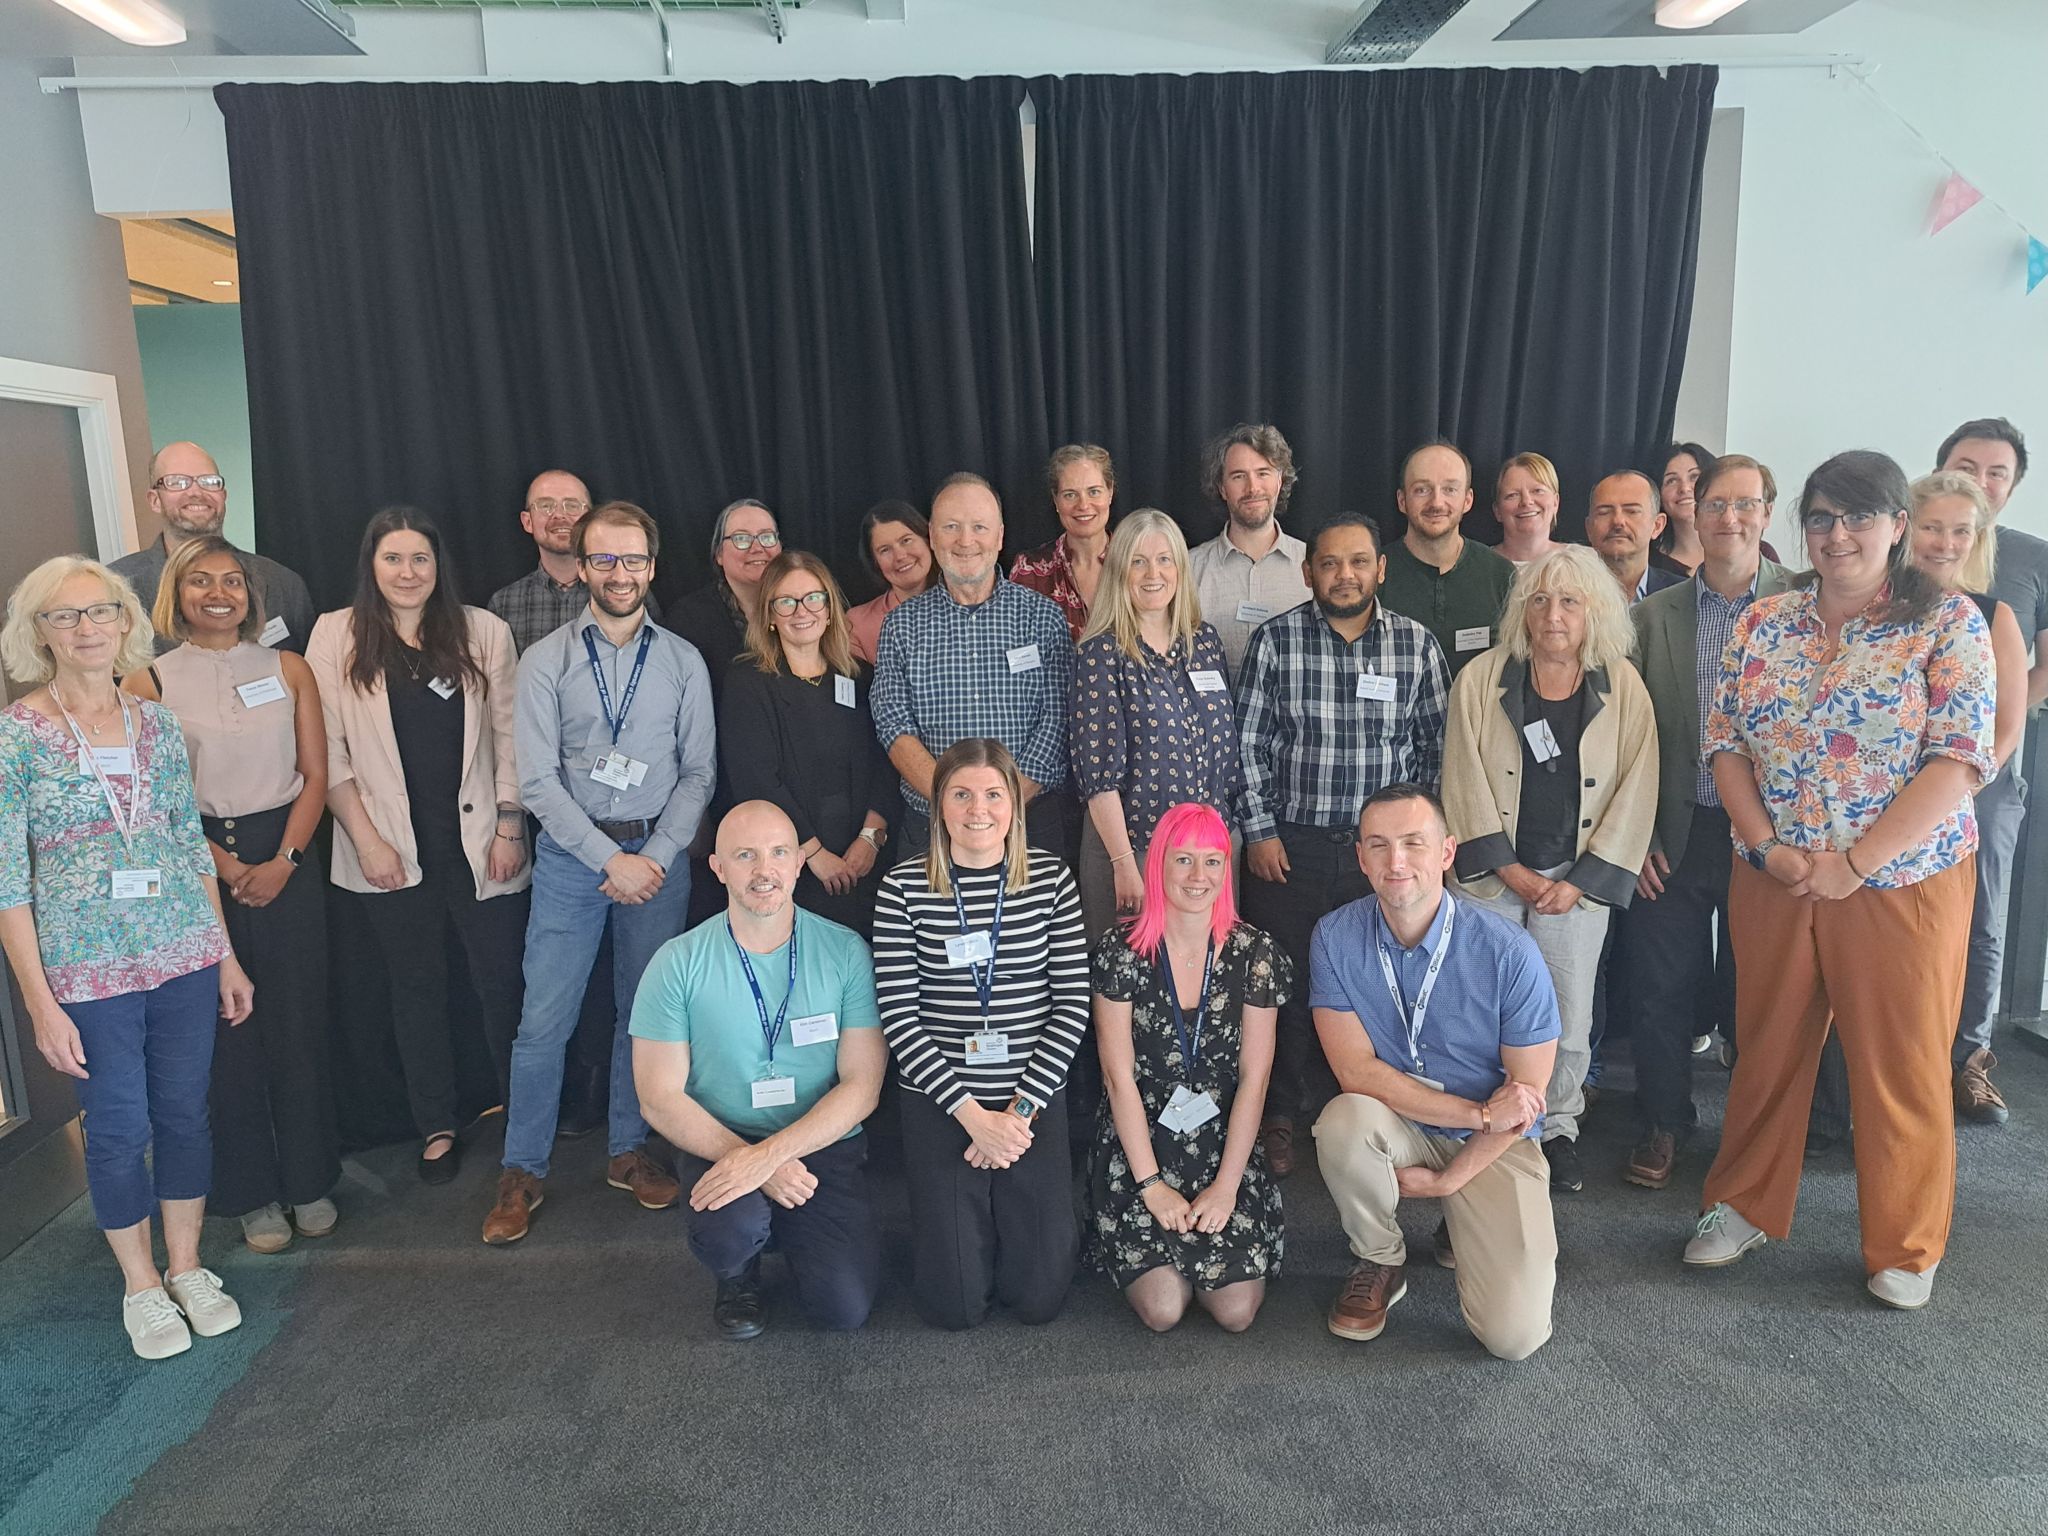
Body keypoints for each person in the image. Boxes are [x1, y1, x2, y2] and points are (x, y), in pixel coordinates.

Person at [1684, 450, 1996, 1312]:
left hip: (1901, 885)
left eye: (1859, 517)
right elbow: (1725, 744)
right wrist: (1768, 846)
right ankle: (1742, 1203)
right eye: (1820, 518)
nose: (1838, 534)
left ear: (1899, 527)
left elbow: (1960, 762)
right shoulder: (1764, 624)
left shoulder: (1948, 624)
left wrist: (1855, 864)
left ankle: (1905, 1241)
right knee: (1767, 1048)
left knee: (1899, 1063)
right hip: (1777, 877)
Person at [0, 557, 254, 1360]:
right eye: (64, 616)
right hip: (86, 971)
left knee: (185, 1114)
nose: (85, 629)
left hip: (182, 950)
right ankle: (140, 1286)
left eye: (98, 612)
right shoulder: (18, 736)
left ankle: (186, 1269)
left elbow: (187, 847)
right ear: (37, 633)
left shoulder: (158, 726)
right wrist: (40, 1003)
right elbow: (8, 884)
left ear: (124, 622)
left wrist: (226, 957)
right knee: (116, 1128)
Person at [485, 501, 717, 1243]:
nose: (620, 574)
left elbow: (699, 774)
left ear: (653, 565)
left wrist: (649, 858)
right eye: (605, 560)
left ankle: (629, 1149)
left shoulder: (682, 660)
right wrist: (607, 858)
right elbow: (539, 780)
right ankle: (522, 1166)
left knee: (643, 1017)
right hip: (569, 860)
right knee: (543, 1021)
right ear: (582, 566)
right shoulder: (546, 659)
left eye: (634, 560)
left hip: (657, 860)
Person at [123, 537, 339, 1253]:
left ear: (252, 594)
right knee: (227, 1033)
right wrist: (220, 863)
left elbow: (316, 774)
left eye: (233, 581)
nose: (219, 593)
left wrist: (285, 859)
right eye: (200, 582)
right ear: (175, 595)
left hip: (290, 859)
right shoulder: (146, 683)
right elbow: (153, 804)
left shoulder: (289, 667)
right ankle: (250, 1195)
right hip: (197, 862)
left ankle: (310, 1178)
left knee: (301, 1025)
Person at [307, 509, 530, 1185]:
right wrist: (367, 841)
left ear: (440, 566)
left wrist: (510, 826)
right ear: (371, 565)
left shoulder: (482, 630)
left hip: (482, 843)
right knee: (416, 991)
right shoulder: (334, 634)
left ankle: (526, 1116)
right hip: (387, 852)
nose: (408, 573)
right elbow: (327, 750)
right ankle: (435, 1123)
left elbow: (512, 734)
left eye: (420, 560)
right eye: (394, 559)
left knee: (503, 988)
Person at [1309, 784, 1560, 1361]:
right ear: (1362, 859)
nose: (1396, 862)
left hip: (1495, 1141)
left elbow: (1526, 1100)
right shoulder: (1334, 937)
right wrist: (1474, 1111)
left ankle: (1463, 1222)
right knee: (1343, 1122)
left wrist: (1452, 1178)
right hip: (1405, 1122)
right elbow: (1355, 1072)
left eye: (1413, 844)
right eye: (1379, 845)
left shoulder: (1508, 950)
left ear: (1446, 853)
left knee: (1513, 1338)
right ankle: (1380, 1257)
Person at [1235, 515, 1450, 1177]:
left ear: (1380, 569)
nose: (1345, 575)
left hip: (1383, 859)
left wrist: (1414, 852)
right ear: (1309, 572)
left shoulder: (1415, 647)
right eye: (1330, 563)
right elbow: (1248, 747)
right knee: (1282, 986)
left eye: (1359, 562)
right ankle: (1277, 1114)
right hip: (1290, 850)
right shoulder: (1274, 643)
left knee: (1374, 987)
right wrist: (1261, 832)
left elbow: (1433, 755)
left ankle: (1367, 1115)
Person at [1440, 545, 1657, 1195]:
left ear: (1594, 612)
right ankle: (1477, 1121)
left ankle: (1555, 1125)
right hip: (1493, 877)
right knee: (1483, 1007)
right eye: (1539, 600)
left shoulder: (1622, 685)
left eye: (1569, 601)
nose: (1553, 614)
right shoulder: (1482, 678)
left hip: (1575, 882)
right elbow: (1462, 778)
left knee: (1565, 1012)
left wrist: (1580, 880)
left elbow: (1638, 786)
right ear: (1521, 613)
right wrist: (1510, 871)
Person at [631, 801, 886, 1338]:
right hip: (722, 1137)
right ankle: (738, 1271)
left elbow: (862, 1086)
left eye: (777, 853)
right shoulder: (675, 963)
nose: (763, 870)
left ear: (798, 864)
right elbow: (658, 1097)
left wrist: (772, 1158)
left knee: (843, 1310)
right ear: (718, 868)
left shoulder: (845, 952)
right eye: (744, 855)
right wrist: (751, 1163)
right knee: (730, 1231)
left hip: (822, 1141)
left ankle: (796, 1234)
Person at [872, 739, 1089, 1330]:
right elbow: (900, 1017)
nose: (978, 810)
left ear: (1014, 804)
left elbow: (1071, 1004)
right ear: (937, 804)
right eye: (961, 794)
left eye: (994, 794)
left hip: (1031, 1104)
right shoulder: (901, 890)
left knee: (1040, 1299)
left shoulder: (1050, 879)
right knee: (955, 1306)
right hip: (943, 1104)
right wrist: (973, 1117)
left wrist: (1015, 1115)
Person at [1625, 455, 1794, 1190]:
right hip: (1677, 831)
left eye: (1745, 504)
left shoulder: (1807, 603)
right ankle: (1665, 1122)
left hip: (1775, 840)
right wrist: (1632, 841)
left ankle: (1757, 1135)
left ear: (1767, 512)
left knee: (1761, 988)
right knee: (1660, 983)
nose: (1729, 518)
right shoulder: (1649, 616)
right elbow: (1626, 739)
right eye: (1715, 503)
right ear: (1693, 512)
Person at [1087, 802, 1286, 1332]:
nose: (1199, 877)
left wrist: (1226, 1186)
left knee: (1236, 1312)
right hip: (1142, 1140)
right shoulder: (1121, 952)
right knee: (1162, 1310)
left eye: (1213, 861)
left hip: (1225, 1142)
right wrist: (1151, 1184)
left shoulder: (1255, 953)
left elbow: (1255, 1079)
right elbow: (1118, 1077)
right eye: (1183, 860)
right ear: (1158, 866)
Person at [1905, 470, 2031, 1126]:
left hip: (1959, 809)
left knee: (1956, 947)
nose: (1945, 542)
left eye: (1961, 531)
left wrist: (1957, 789)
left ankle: (1958, 1072)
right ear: (1905, 527)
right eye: (1933, 527)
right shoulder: (1874, 602)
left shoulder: (1989, 614)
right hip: (1874, 822)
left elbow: (2007, 723)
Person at [871, 474, 1075, 861]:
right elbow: (893, 723)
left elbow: (1058, 720)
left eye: (979, 527)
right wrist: (955, 803)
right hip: (931, 828)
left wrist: (998, 805)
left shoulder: (1043, 618)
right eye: (952, 527)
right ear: (932, 535)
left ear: (999, 536)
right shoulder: (901, 626)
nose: (966, 541)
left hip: (1029, 825)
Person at [1936, 417, 2048, 1122]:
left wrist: (1994, 743)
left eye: (1996, 471)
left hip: (1992, 780)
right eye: (1966, 465)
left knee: (1982, 919)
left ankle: (1969, 1063)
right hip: (1901, 776)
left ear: (2012, 486)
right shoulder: (1909, 546)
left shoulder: (2033, 556)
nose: (1980, 479)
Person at [1069, 509, 1240, 940]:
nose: (1153, 574)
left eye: (1164, 560)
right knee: (1134, 987)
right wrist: (1125, 865)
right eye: (1138, 562)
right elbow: (1098, 777)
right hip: (1137, 853)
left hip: (1208, 854)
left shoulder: (1204, 642)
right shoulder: (1101, 654)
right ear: (1119, 571)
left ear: (1180, 569)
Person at [720, 551, 897, 937]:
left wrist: (870, 839)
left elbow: (888, 760)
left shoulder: (859, 678)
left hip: (863, 862)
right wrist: (813, 855)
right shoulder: (747, 683)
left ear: (830, 608)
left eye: (814, 597)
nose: (803, 610)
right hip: (791, 869)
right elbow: (757, 779)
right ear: (769, 614)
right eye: (786, 601)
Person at [111, 441, 317, 655]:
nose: (196, 492)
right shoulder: (117, 588)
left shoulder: (284, 584)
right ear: (154, 500)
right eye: (177, 482)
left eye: (209, 482)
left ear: (224, 496)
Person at [1378, 440, 1516, 678]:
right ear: (1402, 501)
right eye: (1422, 489)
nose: (1436, 503)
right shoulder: (1373, 574)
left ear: (1468, 500)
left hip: (1478, 715)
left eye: (1450, 489)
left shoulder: (1501, 575)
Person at [486, 468, 663, 654]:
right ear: (527, 521)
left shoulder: (626, 592)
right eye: (546, 505)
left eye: (572, 505)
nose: (559, 515)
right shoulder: (504, 603)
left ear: (591, 519)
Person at [1186, 423, 1310, 677]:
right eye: (1238, 476)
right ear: (1222, 488)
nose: (1253, 488)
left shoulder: (1313, 564)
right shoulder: (1188, 568)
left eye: (1263, 473)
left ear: (1280, 480)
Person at [664, 498, 781, 703]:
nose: (757, 547)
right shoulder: (688, 618)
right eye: (742, 538)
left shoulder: (802, 609)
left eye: (767, 537)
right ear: (719, 554)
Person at [1011, 443, 1115, 641]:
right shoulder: (1030, 570)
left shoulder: (1137, 562)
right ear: (1056, 500)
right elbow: (1018, 648)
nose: (1083, 505)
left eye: (1094, 492)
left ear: (1110, 492)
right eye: (1070, 495)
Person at [847, 500, 936, 666]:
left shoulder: (967, 605)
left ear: (927, 539)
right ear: (874, 562)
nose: (900, 556)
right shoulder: (858, 624)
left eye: (906, 540)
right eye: (885, 550)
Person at [1587, 470, 1686, 605]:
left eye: (1632, 511)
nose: (1618, 521)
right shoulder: (1566, 592)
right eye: (1604, 512)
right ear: (1588, 528)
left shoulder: (1683, 596)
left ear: (1657, 525)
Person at [1656, 442, 1715, 576]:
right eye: (1671, 480)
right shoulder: (1650, 565)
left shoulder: (1757, 552)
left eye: (1694, 477)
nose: (1684, 488)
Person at [1495, 452, 1563, 566]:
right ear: (1497, 511)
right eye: (1513, 495)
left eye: (1537, 491)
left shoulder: (1583, 561)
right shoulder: (1480, 565)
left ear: (1556, 502)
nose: (1526, 501)